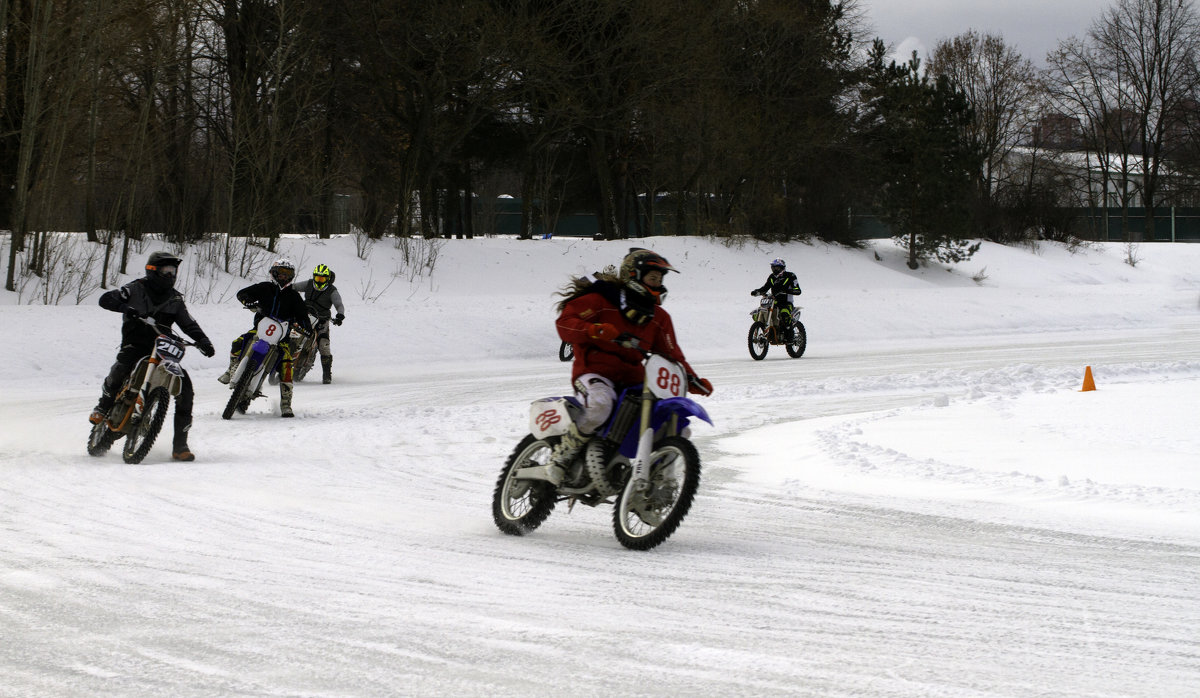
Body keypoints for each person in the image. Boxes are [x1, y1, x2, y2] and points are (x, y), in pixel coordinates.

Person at [548, 248, 713, 486]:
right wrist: (593, 330)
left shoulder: (659, 317)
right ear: (633, 275)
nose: (657, 283)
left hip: (634, 380)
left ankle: (661, 484)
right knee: (601, 404)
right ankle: (562, 456)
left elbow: (671, 354)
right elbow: (566, 322)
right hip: (594, 372)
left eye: (659, 279)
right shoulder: (602, 300)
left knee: (673, 424)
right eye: (652, 278)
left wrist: (692, 379)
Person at [90, 251, 216, 461]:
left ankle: (180, 445)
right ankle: (103, 405)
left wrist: (203, 341)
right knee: (124, 363)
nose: (169, 275)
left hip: (163, 348)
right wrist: (125, 308)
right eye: (165, 270)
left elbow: (188, 323)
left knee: (186, 388)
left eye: (172, 271)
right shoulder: (135, 288)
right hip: (136, 343)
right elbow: (106, 299)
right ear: (152, 270)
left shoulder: (175, 298)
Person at [217, 258, 313, 418]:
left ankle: (286, 404)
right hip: (259, 331)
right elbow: (242, 293)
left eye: (287, 273)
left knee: (287, 365)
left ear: (291, 276)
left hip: (281, 337)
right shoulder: (265, 287)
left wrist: (305, 328)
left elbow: (303, 317)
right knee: (237, 343)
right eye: (280, 273)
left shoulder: (294, 296)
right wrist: (248, 301)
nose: (283, 276)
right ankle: (232, 368)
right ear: (274, 273)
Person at [290, 263, 346, 384]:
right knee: (287, 332)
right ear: (314, 277)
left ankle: (327, 374)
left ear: (327, 279)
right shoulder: (309, 284)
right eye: (317, 278)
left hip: (322, 320)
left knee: (323, 344)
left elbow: (339, 304)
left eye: (322, 279)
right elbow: (293, 287)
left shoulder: (332, 290)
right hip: (304, 316)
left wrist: (340, 315)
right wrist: (286, 291)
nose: (319, 281)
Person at [750, 258, 802, 329]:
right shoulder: (772, 277)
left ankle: (789, 336)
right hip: (773, 302)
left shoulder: (790, 276)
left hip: (786, 303)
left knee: (785, 315)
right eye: (773, 267)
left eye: (777, 268)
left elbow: (798, 290)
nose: (775, 270)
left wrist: (786, 291)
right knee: (757, 313)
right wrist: (757, 291)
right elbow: (765, 288)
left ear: (782, 268)